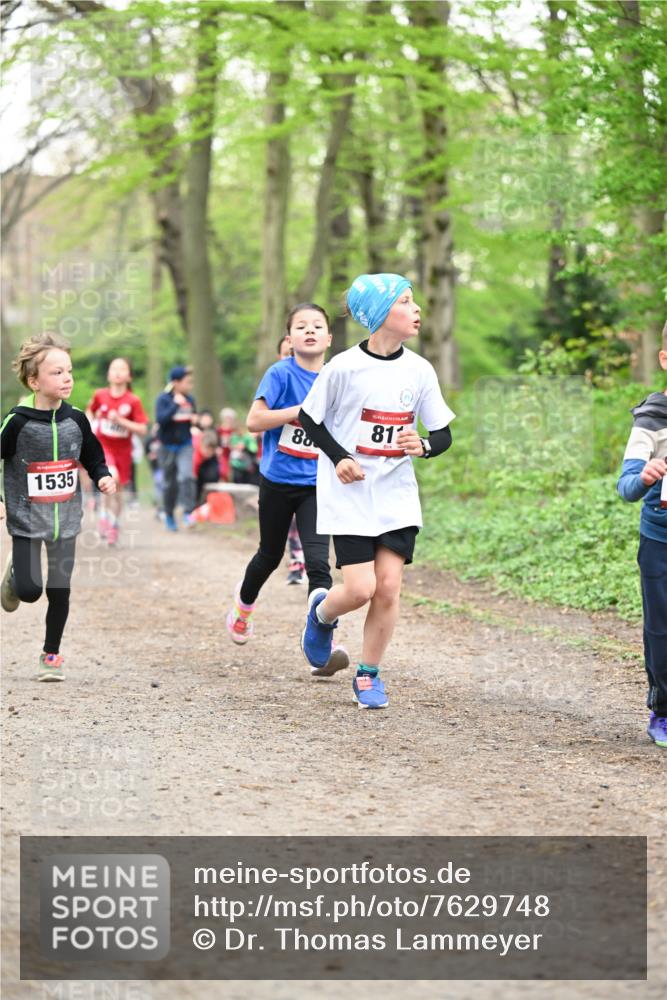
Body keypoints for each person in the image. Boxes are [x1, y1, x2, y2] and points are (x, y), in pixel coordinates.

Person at [298, 273, 455, 708]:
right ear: (381, 313)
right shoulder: (343, 367)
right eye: (405, 301)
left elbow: (442, 433)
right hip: (349, 494)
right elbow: (310, 419)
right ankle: (322, 615)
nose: (416, 309)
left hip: (396, 494)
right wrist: (339, 457)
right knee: (360, 589)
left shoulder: (419, 369)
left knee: (388, 588)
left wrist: (423, 445)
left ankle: (368, 676)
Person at [225, 303, 349, 677]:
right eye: (301, 326)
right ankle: (243, 607)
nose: (309, 331)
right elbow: (254, 421)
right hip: (278, 482)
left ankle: (321, 643)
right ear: (290, 338)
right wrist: (298, 412)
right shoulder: (280, 374)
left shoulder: (337, 377)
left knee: (318, 564)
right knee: (270, 554)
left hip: (317, 485)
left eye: (317, 326)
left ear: (329, 338)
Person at [0, 332, 116, 681]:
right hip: (26, 517)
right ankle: (16, 575)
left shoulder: (76, 419)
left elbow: (92, 454)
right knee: (30, 591)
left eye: (69, 371)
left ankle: (51, 654)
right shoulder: (17, 422)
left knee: (60, 589)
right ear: (34, 381)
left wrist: (102, 476)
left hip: (65, 519)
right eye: (57, 373)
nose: (67, 378)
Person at [616, 322, 667, 749]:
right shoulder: (651, 420)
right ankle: (662, 711)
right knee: (661, 630)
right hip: (660, 542)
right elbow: (626, 486)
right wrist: (646, 476)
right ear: (664, 359)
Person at [87, 357, 148, 545]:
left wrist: (121, 421)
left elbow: (142, 429)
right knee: (110, 478)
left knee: (118, 490)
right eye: (114, 368)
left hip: (123, 450)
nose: (118, 372)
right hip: (103, 446)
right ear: (108, 374)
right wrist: (91, 423)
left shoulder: (133, 400)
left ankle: (113, 523)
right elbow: (89, 412)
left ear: (129, 376)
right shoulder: (100, 395)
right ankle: (104, 517)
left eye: (122, 369)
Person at [277, 334, 306, 584]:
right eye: (287, 354)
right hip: (283, 468)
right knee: (290, 521)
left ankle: (307, 564)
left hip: (314, 466)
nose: (292, 358)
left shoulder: (320, 380)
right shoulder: (276, 382)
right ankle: (297, 562)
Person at [155, 365, 197, 531]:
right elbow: (161, 420)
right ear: (176, 382)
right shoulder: (163, 399)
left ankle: (188, 512)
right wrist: (174, 405)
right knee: (170, 484)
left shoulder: (190, 399)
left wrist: (196, 420)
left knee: (186, 476)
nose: (190, 385)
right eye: (187, 382)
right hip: (167, 447)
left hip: (185, 445)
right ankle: (169, 514)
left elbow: (193, 418)